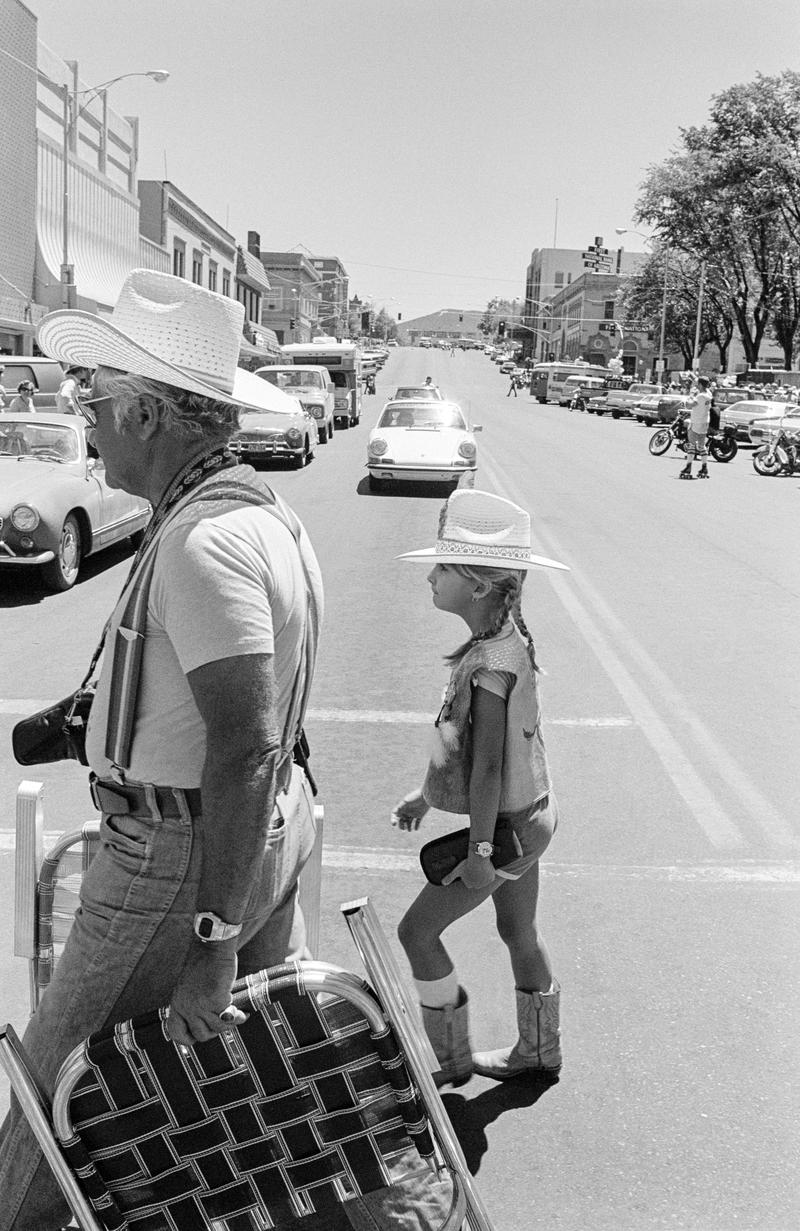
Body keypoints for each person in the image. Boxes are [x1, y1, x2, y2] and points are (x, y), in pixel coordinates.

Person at [0, 269, 325, 1230]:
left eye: (95, 399)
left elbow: (244, 743)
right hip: (249, 833)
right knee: (247, 1079)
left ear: (148, 413)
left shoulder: (203, 540)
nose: (84, 417)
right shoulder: (259, 512)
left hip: (178, 856)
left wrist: (211, 942)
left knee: (48, 1088)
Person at [390, 489, 569, 1088]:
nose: (432, 579)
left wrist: (479, 853)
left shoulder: (490, 663)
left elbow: (489, 767)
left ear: (480, 585)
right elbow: (471, 750)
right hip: (533, 818)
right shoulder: (505, 640)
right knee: (518, 932)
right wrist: (428, 793)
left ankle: (449, 1060)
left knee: (416, 932)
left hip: (507, 832)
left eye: (443, 569)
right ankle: (539, 1051)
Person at [680, 375, 711, 479]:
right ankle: (704, 467)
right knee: (702, 445)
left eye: (698, 383)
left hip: (696, 422)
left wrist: (690, 396)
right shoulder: (708, 394)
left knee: (692, 444)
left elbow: (689, 405)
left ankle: (688, 467)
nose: (697, 385)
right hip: (705, 422)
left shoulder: (700, 396)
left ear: (701, 384)